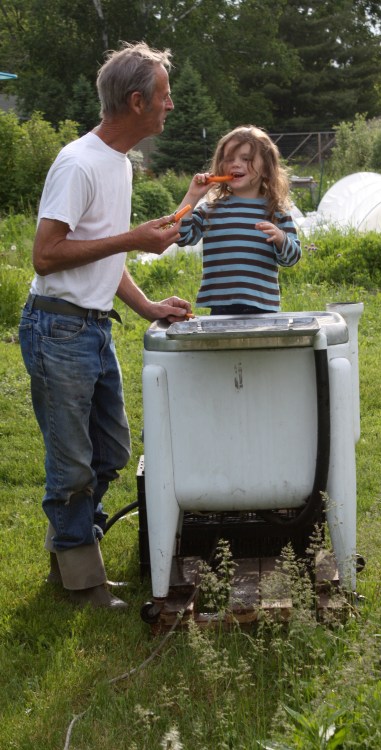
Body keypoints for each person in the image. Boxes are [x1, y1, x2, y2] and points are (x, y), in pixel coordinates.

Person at [18, 42, 192, 610]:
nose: (172, 105)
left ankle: (69, 559)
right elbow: (47, 255)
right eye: (164, 96)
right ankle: (80, 582)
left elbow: (98, 256)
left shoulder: (119, 163)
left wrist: (146, 308)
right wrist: (133, 238)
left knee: (110, 452)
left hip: (92, 329)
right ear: (137, 101)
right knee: (71, 463)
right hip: (57, 330)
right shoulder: (79, 162)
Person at [175, 125, 301, 315]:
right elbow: (180, 236)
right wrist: (192, 195)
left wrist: (281, 238)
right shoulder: (211, 209)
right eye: (229, 159)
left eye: (246, 159)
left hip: (263, 307)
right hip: (220, 307)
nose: (236, 164)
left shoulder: (276, 211)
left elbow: (292, 258)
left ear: (266, 169)